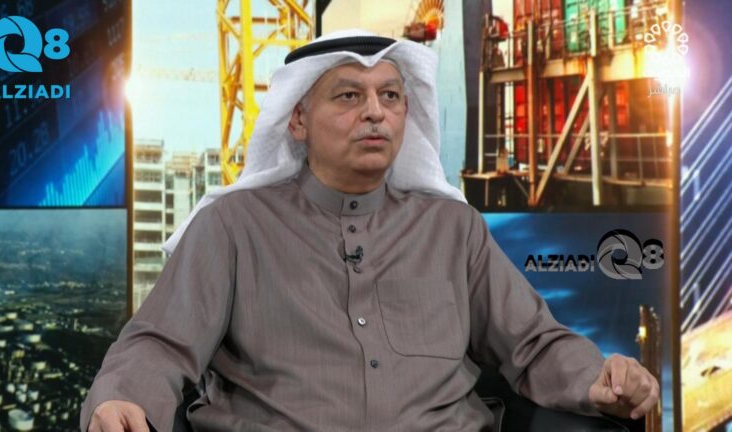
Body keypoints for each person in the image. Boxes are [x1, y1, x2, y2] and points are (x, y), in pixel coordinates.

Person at [82, 29, 659, 432]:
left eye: (390, 96)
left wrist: (598, 378)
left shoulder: (452, 228)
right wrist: (122, 399)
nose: (375, 112)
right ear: (298, 119)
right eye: (349, 96)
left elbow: (534, 343)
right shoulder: (232, 226)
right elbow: (160, 343)